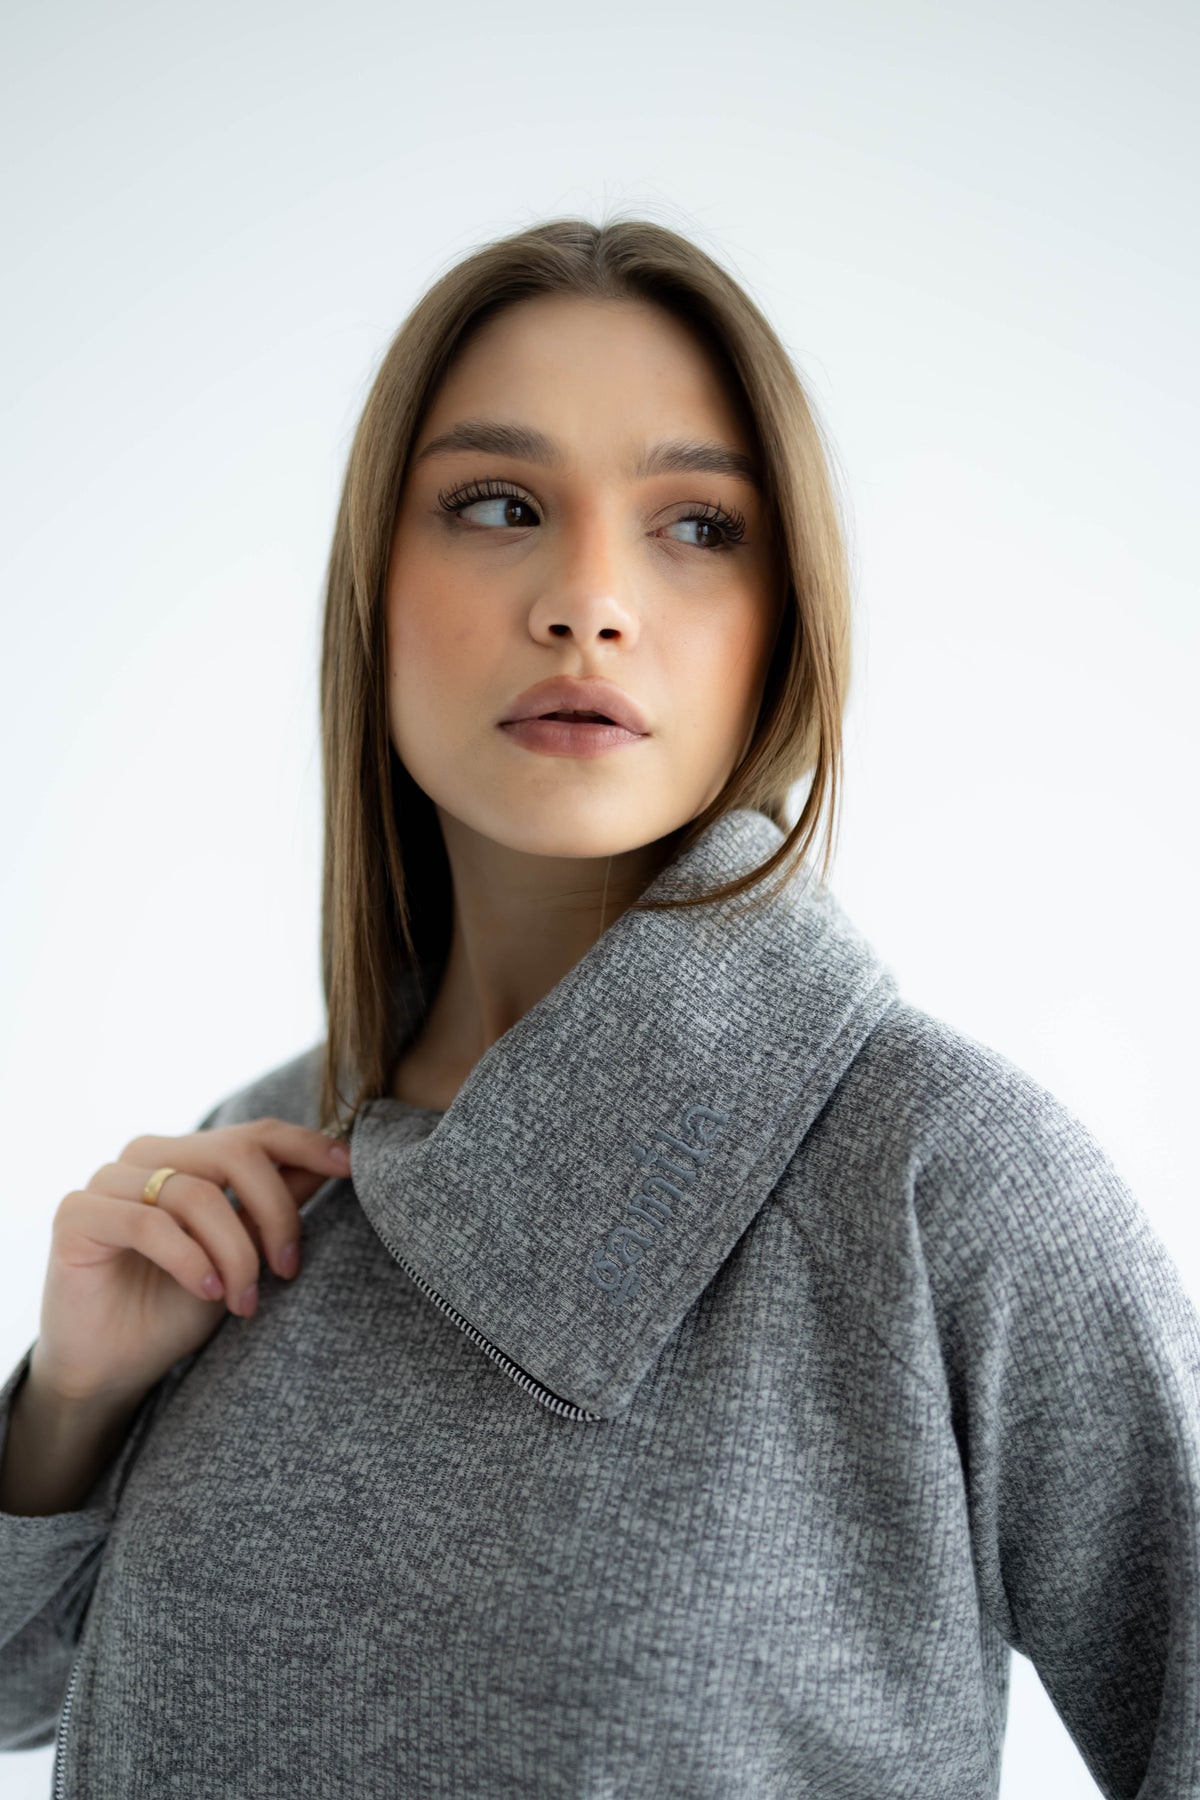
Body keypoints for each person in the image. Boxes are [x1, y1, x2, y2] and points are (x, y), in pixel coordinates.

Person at [1, 216, 1197, 1799]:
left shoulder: (946, 1183)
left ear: (786, 622)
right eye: (498, 505)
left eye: (697, 524)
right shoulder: (259, 1163)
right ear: (374, 587)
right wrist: (68, 1406)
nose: (587, 600)